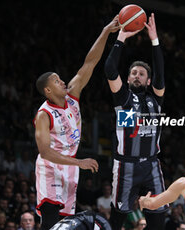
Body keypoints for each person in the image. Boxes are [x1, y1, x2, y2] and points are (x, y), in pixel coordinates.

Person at [33, 16, 120, 230]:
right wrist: (80, 162)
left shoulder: (73, 95)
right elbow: (45, 152)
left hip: (70, 167)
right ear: (48, 90)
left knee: (65, 225)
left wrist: (106, 31)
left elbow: (90, 62)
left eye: (60, 77)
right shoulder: (44, 114)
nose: (62, 80)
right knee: (51, 221)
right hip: (50, 166)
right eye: (56, 80)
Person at [104, 13, 166, 230]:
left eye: (141, 74)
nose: (137, 76)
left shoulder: (155, 98)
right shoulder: (123, 97)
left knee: (158, 221)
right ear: (128, 78)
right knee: (117, 220)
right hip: (126, 165)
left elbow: (160, 76)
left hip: (151, 165)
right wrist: (121, 37)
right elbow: (110, 69)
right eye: (133, 73)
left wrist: (155, 41)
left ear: (148, 81)